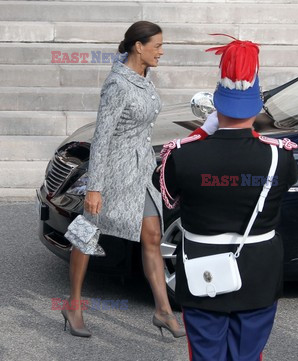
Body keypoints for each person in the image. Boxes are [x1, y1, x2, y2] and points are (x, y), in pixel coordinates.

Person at [160, 35, 298, 360]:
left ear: (217, 103)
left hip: (201, 269)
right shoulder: (281, 158)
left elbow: (167, 193)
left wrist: (201, 134)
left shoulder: (184, 155)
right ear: (258, 102)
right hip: (258, 275)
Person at [61, 21, 185, 338]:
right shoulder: (117, 85)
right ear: (138, 46)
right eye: (156, 45)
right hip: (114, 173)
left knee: (154, 235)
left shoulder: (144, 77)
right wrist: (94, 188)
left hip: (140, 171)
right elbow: (101, 139)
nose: (161, 51)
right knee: (87, 233)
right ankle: (73, 305)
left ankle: (162, 310)